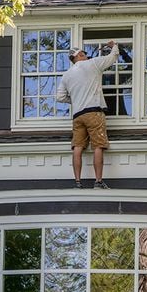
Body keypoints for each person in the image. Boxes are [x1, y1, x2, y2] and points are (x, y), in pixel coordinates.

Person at [56, 41, 119, 188]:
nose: (86, 55)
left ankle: (77, 182)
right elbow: (113, 57)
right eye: (83, 53)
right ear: (80, 55)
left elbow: (60, 97)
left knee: (77, 147)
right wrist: (114, 45)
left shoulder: (66, 75)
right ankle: (98, 181)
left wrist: (76, 99)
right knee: (98, 145)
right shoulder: (92, 64)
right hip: (93, 112)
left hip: (78, 115)